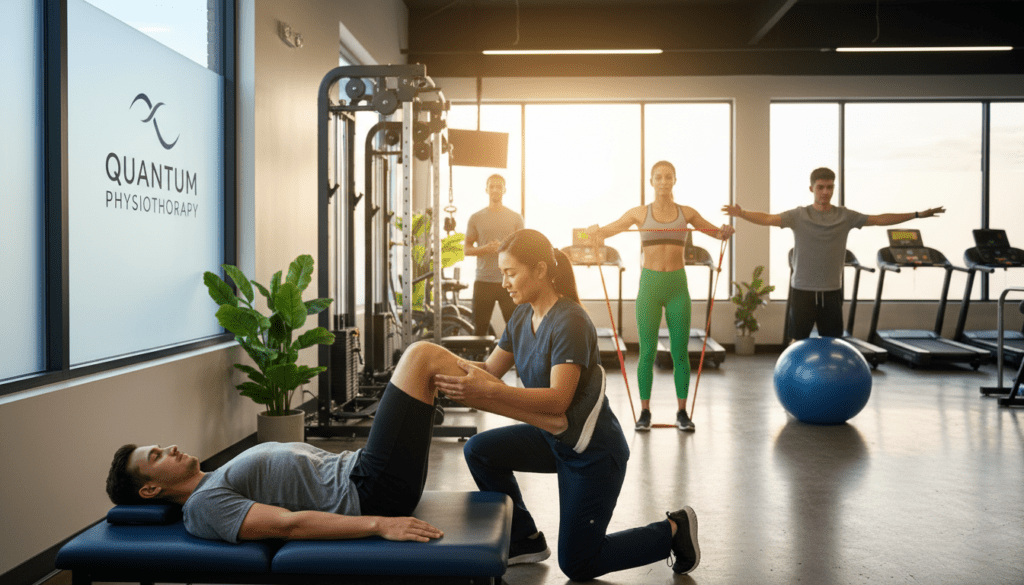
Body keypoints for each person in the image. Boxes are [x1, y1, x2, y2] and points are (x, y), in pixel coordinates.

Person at [434, 229, 700, 581]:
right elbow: (490, 370)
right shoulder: (520, 316)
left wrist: (488, 393)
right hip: (553, 438)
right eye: (502, 273)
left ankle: (674, 530)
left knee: (578, 564)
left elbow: (558, 400)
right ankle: (524, 539)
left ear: (541, 270)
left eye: (511, 273)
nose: (504, 283)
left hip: (591, 452)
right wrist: (438, 369)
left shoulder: (569, 320)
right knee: (481, 450)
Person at [585, 161, 734, 432]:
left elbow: (713, 231)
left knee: (680, 353)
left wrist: (724, 232)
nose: (663, 181)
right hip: (650, 287)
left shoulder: (686, 213)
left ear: (675, 180)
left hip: (678, 286)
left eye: (668, 177)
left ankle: (682, 412)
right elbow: (609, 230)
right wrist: (595, 232)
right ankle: (644, 412)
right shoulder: (639, 214)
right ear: (651, 182)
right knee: (647, 352)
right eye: (658, 177)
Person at [722, 166, 945, 341]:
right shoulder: (798, 216)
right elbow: (768, 219)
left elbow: (878, 219)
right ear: (812, 189)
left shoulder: (845, 216)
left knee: (831, 341)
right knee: (797, 340)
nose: (825, 192)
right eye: (821, 187)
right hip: (802, 290)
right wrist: (741, 213)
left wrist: (917, 214)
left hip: (831, 291)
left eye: (830, 187)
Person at [464, 174, 525, 335]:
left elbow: (523, 249)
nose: (495, 190)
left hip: (510, 281)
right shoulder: (476, 218)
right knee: (479, 332)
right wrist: (485, 248)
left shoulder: (515, 218)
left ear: (504, 190)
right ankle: (478, 360)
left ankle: (517, 361)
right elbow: (467, 249)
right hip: (483, 281)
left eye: (499, 187)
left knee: (517, 330)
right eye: (492, 186)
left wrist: (504, 248)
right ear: (486, 189)